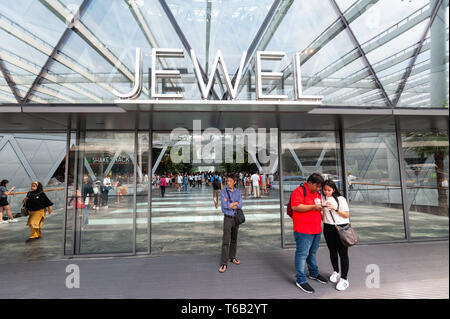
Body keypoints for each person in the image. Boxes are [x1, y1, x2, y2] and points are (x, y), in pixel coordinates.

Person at [290, 173, 328, 294]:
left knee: (312, 252)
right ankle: (300, 280)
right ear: (310, 182)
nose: (318, 189)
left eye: (319, 187)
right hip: (303, 229)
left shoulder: (316, 193)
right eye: (317, 186)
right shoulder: (299, 191)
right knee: (302, 254)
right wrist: (312, 207)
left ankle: (313, 273)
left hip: (316, 228)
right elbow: (295, 207)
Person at [322, 179, 351, 291]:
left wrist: (335, 208)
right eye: (324, 189)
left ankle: (344, 279)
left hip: (341, 227)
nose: (326, 192)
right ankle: (336, 272)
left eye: (329, 190)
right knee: (332, 251)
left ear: (333, 189)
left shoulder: (341, 199)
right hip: (328, 227)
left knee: (343, 253)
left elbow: (346, 215)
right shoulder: (322, 199)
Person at [218, 174, 243, 273]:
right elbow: (224, 206)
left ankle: (232, 257)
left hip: (236, 218)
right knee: (225, 241)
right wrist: (234, 203)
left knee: (234, 239)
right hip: (228, 218)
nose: (228, 183)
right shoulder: (223, 192)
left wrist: (231, 204)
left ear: (235, 182)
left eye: (230, 181)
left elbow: (240, 204)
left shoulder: (237, 192)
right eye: (227, 181)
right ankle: (224, 263)